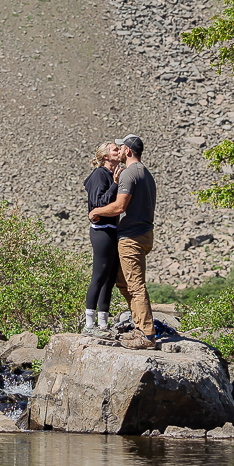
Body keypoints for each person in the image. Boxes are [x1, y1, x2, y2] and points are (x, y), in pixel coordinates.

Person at [88, 134, 158, 351]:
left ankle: (147, 334)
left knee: (135, 286)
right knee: (122, 281)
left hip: (131, 238)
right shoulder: (146, 174)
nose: (118, 151)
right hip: (144, 234)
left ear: (127, 151)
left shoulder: (128, 174)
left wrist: (96, 211)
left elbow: (119, 207)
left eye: (120, 148)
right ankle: (140, 328)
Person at [81, 141, 121, 336]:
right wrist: (114, 185)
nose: (119, 151)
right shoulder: (100, 175)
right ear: (106, 156)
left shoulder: (114, 174)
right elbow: (99, 203)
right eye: (115, 149)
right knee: (99, 275)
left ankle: (103, 323)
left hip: (113, 229)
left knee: (109, 278)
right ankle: (89, 324)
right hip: (101, 230)